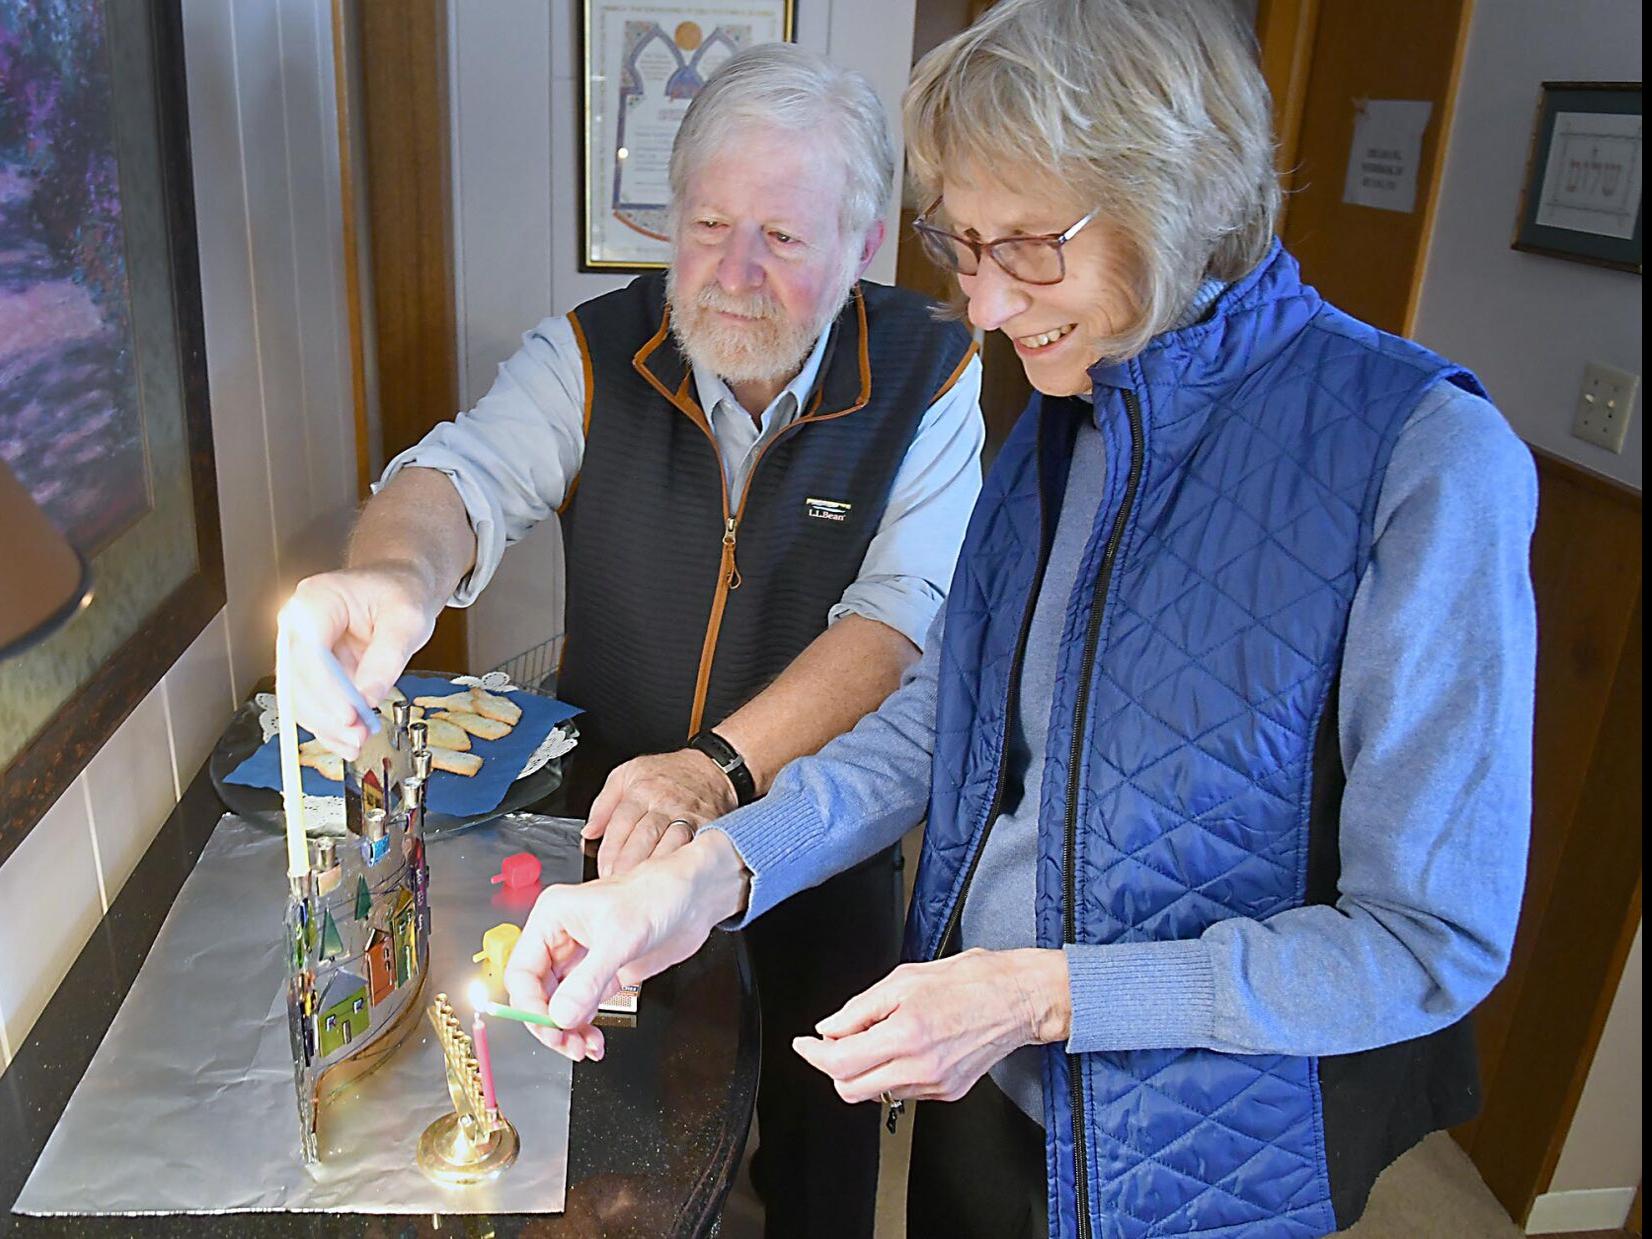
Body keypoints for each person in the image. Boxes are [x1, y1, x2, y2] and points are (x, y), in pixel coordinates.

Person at [500, 2, 1541, 1236]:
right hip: (984, 1094)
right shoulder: (1064, 416)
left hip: (1202, 1166)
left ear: (1176, 193)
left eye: (1030, 247)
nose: (983, 308)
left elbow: (1426, 941)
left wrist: (1042, 996)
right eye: (962, 246)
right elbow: (941, 720)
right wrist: (704, 876)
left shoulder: (1423, 456)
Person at [283, 44, 984, 1239]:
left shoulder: (932, 367)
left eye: (782, 237)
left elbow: (894, 625)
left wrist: (716, 767)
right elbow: (458, 478)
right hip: (603, 827)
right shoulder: (593, 351)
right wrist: (388, 577)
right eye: (707, 226)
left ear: (863, 247)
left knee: (822, 1152)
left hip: (821, 825)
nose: (733, 274)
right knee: (621, 1139)